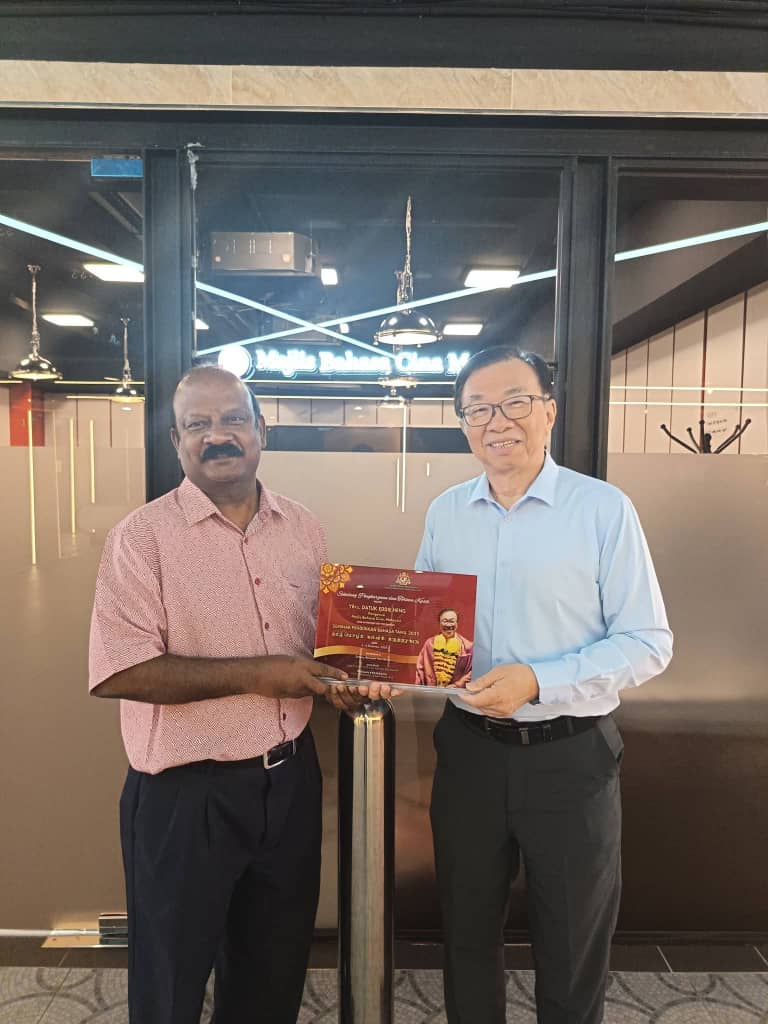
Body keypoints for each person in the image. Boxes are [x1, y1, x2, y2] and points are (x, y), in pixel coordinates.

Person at [88, 365, 389, 1024]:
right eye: (197, 424)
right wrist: (258, 674)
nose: (217, 435)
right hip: (183, 797)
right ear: (176, 441)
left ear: (261, 430)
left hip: (289, 785)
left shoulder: (303, 528)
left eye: (232, 419)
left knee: (271, 976)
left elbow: (317, 649)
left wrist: (344, 678)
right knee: (170, 989)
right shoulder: (141, 538)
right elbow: (119, 672)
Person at [415, 346, 672, 1024]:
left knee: (573, 941)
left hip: (570, 757)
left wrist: (538, 681)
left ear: (549, 411)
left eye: (515, 402)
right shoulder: (446, 512)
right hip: (468, 754)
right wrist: (378, 664)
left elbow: (648, 642)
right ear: (463, 424)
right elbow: (426, 631)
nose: (496, 422)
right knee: (466, 930)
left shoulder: (602, 510)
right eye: (477, 409)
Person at [415, 608, 473, 687]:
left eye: (452, 621)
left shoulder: (467, 647)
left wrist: (457, 685)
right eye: (445, 621)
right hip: (432, 690)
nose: (448, 625)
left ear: (457, 623)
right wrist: (418, 689)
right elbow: (420, 669)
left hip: (455, 692)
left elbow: (472, 671)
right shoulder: (430, 644)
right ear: (439, 623)